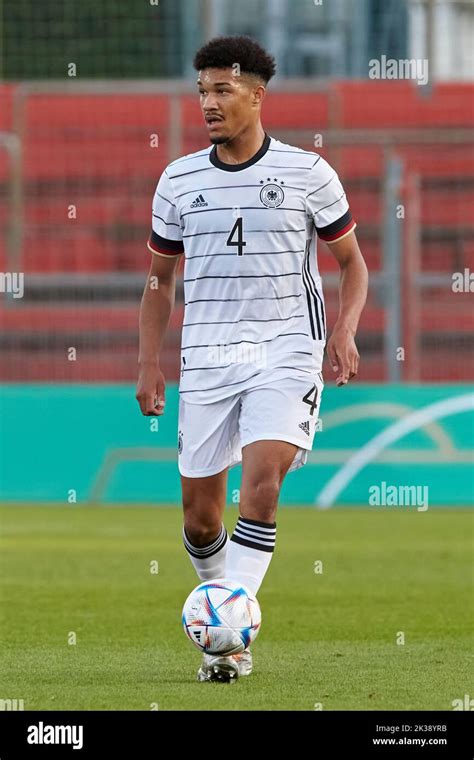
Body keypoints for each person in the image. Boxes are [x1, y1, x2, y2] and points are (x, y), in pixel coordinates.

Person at [136, 35, 368, 682]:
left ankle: (228, 641)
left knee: (261, 486)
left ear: (257, 95)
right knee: (200, 517)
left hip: (287, 349)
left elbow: (352, 264)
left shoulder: (307, 173)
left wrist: (343, 331)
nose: (208, 104)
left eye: (222, 91)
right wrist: (146, 361)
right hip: (207, 356)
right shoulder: (178, 180)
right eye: (202, 91)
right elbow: (159, 282)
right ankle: (225, 620)